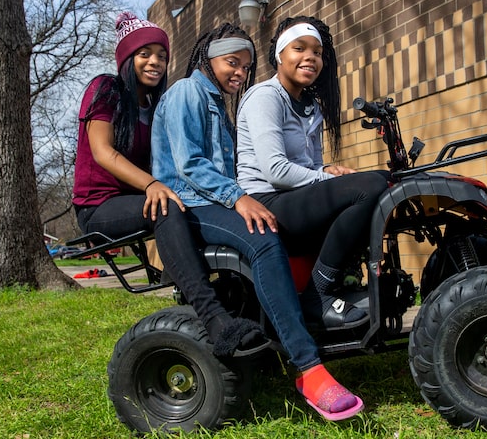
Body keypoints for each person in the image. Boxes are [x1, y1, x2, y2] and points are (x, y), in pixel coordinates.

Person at [150, 22, 364, 421]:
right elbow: (190, 166)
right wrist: (241, 198)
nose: (240, 73)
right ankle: (308, 369)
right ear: (208, 58)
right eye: (233, 62)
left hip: (214, 200)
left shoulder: (217, 102)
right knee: (263, 237)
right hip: (192, 204)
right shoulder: (186, 93)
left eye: (246, 67)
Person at [72, 11, 266, 358]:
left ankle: (244, 308)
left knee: (190, 209)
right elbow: (102, 152)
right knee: (167, 208)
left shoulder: (157, 104)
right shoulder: (106, 89)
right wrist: (152, 186)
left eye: (162, 55)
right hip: (99, 205)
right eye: (145, 54)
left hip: (142, 199)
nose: (155, 62)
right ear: (127, 58)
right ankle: (216, 320)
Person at [236, 16, 390, 330]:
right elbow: (277, 171)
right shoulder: (265, 97)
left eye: (317, 52)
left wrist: (325, 170)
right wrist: (331, 180)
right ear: (280, 55)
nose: (311, 57)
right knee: (369, 186)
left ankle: (350, 280)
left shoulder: (311, 108)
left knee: (382, 180)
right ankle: (316, 294)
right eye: (300, 48)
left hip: (293, 196)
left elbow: (306, 168)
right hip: (266, 201)